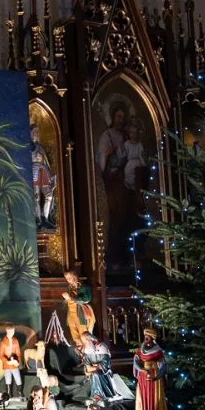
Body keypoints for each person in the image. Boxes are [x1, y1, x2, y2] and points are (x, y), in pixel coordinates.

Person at [96, 103, 130, 265]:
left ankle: (125, 254)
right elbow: (102, 159)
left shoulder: (127, 136)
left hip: (124, 181)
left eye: (123, 117)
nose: (120, 120)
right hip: (112, 180)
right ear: (112, 117)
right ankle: (112, 254)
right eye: (118, 116)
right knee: (114, 216)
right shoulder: (106, 135)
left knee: (125, 217)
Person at [132, 329, 166, 410]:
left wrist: (157, 376)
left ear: (152, 338)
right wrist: (141, 369)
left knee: (153, 399)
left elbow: (162, 365)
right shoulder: (140, 350)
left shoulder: (158, 351)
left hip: (153, 377)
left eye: (148, 337)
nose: (146, 338)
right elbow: (136, 361)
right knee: (141, 399)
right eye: (145, 336)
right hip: (143, 377)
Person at [62, 270, 96, 349]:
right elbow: (69, 300)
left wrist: (71, 298)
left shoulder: (83, 287)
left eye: (70, 277)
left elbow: (87, 299)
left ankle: (87, 350)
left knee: (83, 334)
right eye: (66, 278)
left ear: (74, 276)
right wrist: (66, 299)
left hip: (80, 314)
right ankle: (79, 350)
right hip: (71, 314)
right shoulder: (70, 288)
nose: (68, 280)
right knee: (75, 336)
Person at [81, 332, 117, 402]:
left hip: (105, 373)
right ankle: (96, 395)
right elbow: (88, 367)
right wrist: (95, 366)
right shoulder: (87, 350)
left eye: (84, 341)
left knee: (96, 374)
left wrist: (93, 367)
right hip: (94, 372)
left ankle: (98, 395)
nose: (84, 343)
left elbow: (105, 366)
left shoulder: (103, 347)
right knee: (94, 374)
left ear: (89, 340)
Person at [0, 324, 23, 401]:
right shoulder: (3, 342)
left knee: (18, 379)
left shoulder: (15, 341)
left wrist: (17, 361)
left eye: (13, 332)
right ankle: (9, 394)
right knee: (8, 380)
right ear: (6, 331)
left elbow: (18, 353)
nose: (11, 333)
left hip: (14, 365)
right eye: (10, 332)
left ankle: (20, 392)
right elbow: (1, 355)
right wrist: (7, 361)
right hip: (7, 365)